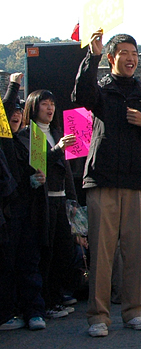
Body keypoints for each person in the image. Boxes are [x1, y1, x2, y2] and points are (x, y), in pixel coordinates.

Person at [72, 30, 141, 337]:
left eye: (135, 54)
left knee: (136, 249)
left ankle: (135, 311)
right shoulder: (101, 90)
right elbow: (80, 97)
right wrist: (92, 56)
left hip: (139, 182)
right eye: (125, 53)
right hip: (103, 179)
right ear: (113, 58)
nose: (131, 59)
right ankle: (99, 316)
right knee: (102, 252)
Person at [19, 89, 78, 320]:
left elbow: (66, 170)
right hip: (42, 203)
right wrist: (58, 148)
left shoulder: (56, 133)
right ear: (34, 107)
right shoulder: (28, 135)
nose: (50, 108)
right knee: (45, 252)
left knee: (63, 253)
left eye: (52, 104)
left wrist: (72, 199)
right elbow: (39, 161)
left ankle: (55, 298)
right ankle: (42, 303)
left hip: (61, 199)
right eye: (45, 104)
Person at [0, 73, 47, 331]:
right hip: (8, 213)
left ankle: (35, 311)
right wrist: (13, 86)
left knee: (30, 262)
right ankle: (7, 313)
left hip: (29, 211)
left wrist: (38, 178)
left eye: (19, 110)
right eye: (11, 111)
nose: (16, 115)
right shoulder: (4, 142)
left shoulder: (30, 140)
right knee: (7, 264)